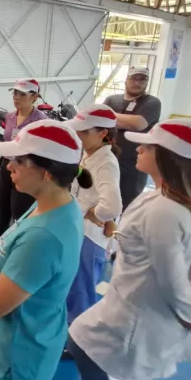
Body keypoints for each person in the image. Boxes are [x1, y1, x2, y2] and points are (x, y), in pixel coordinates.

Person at [62, 119, 191, 380]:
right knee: (80, 338)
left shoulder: (165, 212)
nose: (139, 148)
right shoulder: (160, 196)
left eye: (148, 146)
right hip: (127, 298)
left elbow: (175, 281)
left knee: (132, 376)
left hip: (141, 311)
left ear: (167, 156)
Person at [0, 120, 91, 380]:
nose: (9, 167)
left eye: (19, 161)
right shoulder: (52, 203)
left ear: (46, 173)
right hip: (26, 341)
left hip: (11, 359)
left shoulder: (43, 237)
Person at [59, 104, 123, 360]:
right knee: (74, 290)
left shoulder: (105, 162)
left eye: (84, 132)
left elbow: (112, 205)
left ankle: (80, 346)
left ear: (102, 133)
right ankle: (74, 336)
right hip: (80, 234)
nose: (79, 136)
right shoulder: (91, 154)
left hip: (90, 239)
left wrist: (90, 214)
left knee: (82, 292)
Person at [0, 79, 48, 240]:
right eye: (15, 93)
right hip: (7, 165)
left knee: (20, 211)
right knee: (1, 208)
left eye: (22, 94)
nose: (16, 97)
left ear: (34, 97)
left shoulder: (41, 121)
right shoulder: (10, 117)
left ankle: (18, 248)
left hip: (26, 169)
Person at [103, 67, 162, 211]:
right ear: (126, 80)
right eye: (134, 78)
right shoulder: (112, 99)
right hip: (108, 160)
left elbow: (138, 124)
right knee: (104, 201)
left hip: (134, 166)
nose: (138, 83)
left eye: (142, 79)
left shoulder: (152, 103)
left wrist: (107, 115)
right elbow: (98, 121)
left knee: (127, 206)